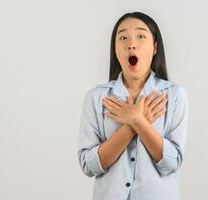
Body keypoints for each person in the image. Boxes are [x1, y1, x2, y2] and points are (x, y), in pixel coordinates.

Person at [77, 11, 189, 200]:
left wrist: (137, 120)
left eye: (140, 36)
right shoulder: (96, 98)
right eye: (123, 37)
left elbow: (172, 163)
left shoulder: (175, 96)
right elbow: (89, 166)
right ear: (115, 49)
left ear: (155, 47)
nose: (131, 43)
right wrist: (134, 123)